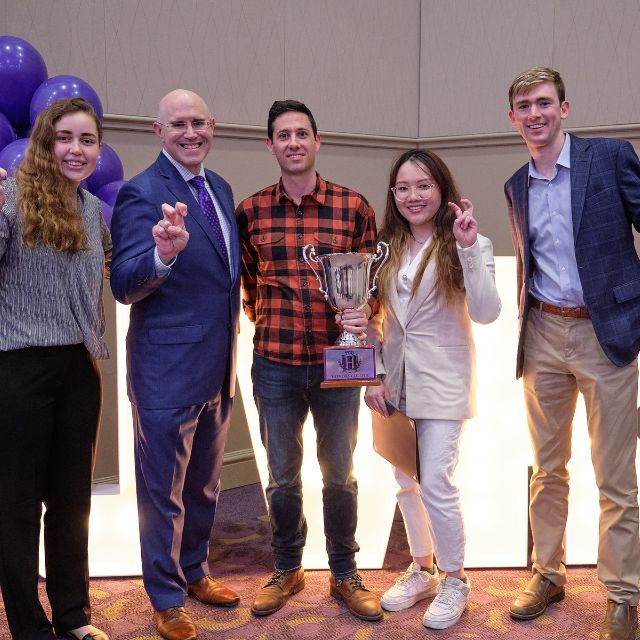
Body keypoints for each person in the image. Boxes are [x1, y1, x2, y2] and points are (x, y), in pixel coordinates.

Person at [505, 67, 640, 640]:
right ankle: (548, 573)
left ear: (564, 107)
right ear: (512, 119)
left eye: (543, 103)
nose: (534, 114)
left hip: (605, 333)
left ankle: (623, 596)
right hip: (542, 333)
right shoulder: (517, 184)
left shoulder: (608, 158)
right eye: (523, 107)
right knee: (546, 468)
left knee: (614, 474)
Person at [235, 99, 382, 622]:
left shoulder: (353, 207)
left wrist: (364, 318)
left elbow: (371, 287)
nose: (293, 142)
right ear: (270, 145)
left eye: (302, 133)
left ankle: (344, 573)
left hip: (337, 366)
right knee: (281, 476)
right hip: (275, 363)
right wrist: (270, 322)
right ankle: (287, 568)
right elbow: (248, 285)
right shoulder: (250, 211)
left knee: (340, 473)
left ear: (317, 141)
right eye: (283, 135)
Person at [110, 89, 240, 640]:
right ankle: (165, 596)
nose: (191, 133)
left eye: (200, 123)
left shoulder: (221, 187)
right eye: (178, 124)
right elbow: (123, 284)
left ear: (212, 126)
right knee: (161, 491)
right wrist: (162, 254)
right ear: (156, 131)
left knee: (203, 487)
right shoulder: (142, 192)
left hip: (218, 364)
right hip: (165, 370)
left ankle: (194, 571)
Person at [364, 149, 501, 629]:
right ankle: (421, 567)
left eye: (423, 185)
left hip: (444, 381)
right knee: (405, 480)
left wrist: (466, 250)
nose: (413, 196)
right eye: (403, 188)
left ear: (441, 189)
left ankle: (455, 579)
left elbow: (486, 312)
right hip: (396, 383)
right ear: (393, 195)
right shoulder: (387, 247)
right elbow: (378, 321)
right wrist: (375, 374)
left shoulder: (470, 241)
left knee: (436, 482)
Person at [0, 98, 111, 640]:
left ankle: (73, 618)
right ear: (46, 142)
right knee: (17, 504)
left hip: (78, 370)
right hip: (18, 368)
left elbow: (103, 281)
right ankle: (29, 627)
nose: (76, 149)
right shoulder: (9, 197)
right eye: (64, 138)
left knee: (71, 503)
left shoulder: (91, 208)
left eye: (87, 140)